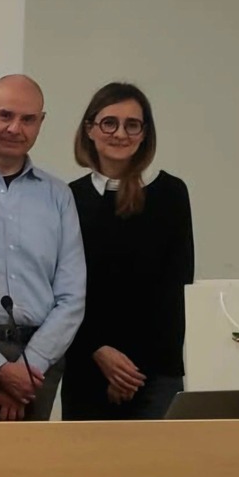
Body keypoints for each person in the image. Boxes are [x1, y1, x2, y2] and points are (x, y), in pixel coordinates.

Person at [0, 75, 86, 422]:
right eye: (5, 115)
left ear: (41, 122)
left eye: (28, 119)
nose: (15, 128)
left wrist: (29, 368)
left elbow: (72, 296)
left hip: (41, 361)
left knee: (32, 457)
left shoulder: (59, 196)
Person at [64, 83, 195, 421]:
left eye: (132, 124)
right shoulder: (69, 197)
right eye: (109, 123)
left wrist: (130, 375)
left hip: (155, 375)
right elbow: (65, 290)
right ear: (90, 129)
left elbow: (175, 288)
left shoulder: (170, 194)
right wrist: (99, 352)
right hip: (88, 368)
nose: (120, 133)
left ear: (144, 133)